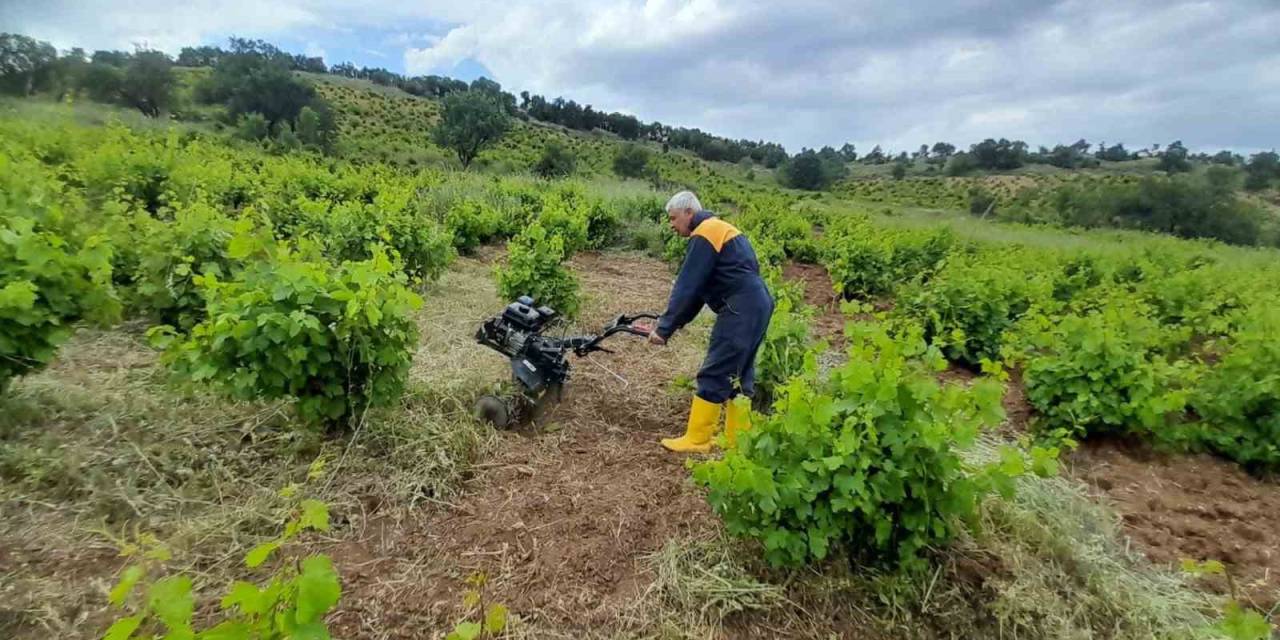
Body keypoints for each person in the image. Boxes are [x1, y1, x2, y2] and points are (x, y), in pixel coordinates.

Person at [643, 191, 774, 453]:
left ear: (689, 212)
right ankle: (738, 440)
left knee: (716, 370)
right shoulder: (720, 229)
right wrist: (669, 325)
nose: (671, 224)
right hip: (758, 304)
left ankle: (698, 439)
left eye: (674, 218)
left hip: (740, 308)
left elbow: (688, 286)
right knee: (740, 373)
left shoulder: (704, 233)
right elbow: (698, 293)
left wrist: (664, 329)